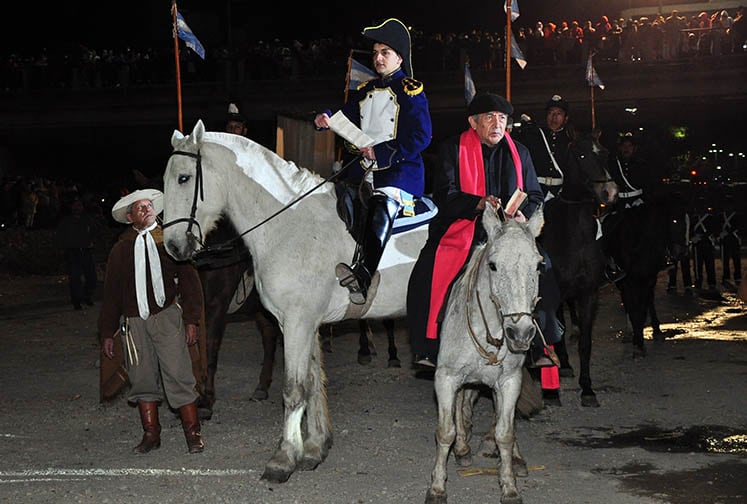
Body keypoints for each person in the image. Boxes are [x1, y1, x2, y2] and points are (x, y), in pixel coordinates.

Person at [406, 92, 550, 369]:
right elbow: (444, 195)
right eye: (489, 118)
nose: (497, 124)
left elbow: (534, 194)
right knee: (425, 274)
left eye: (502, 118)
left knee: (546, 268)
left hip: (509, 232)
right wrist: (477, 203)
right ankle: (428, 346)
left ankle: (540, 343)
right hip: (465, 227)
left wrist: (524, 213)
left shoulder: (520, 152)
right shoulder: (452, 149)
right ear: (473, 122)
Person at [313, 17, 432, 305]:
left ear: (399, 58)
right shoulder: (365, 91)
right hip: (363, 172)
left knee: (382, 201)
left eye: (385, 53)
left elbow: (422, 135)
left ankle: (364, 275)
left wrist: (384, 151)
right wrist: (325, 118)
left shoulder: (410, 90)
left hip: (398, 174)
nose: (378, 58)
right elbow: (346, 114)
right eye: (376, 53)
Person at [99, 189, 206, 454]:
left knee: (179, 374)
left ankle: (193, 435)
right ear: (129, 216)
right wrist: (107, 332)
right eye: (139, 207)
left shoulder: (171, 240)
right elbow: (111, 293)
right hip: (134, 322)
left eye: (149, 205)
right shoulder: (121, 250)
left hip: (166, 317)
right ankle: (151, 435)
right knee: (142, 378)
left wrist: (191, 319)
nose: (146, 209)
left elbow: (191, 283)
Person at [56, 197, 98, 310]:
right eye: (75, 205)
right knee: (75, 278)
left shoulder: (87, 219)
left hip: (86, 251)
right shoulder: (66, 221)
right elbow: (60, 236)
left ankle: (87, 296)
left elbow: (95, 231)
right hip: (73, 252)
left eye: (79, 205)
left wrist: (90, 241)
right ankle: (76, 301)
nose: (77, 208)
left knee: (91, 277)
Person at [690, 201, 718, 292]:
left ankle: (712, 282)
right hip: (697, 245)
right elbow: (691, 230)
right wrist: (693, 237)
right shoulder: (694, 218)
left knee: (710, 264)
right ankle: (698, 281)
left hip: (707, 243)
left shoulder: (710, 218)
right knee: (697, 265)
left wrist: (703, 236)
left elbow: (713, 229)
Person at [718, 196, 742, 288]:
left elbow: (738, 226)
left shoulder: (736, 216)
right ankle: (726, 277)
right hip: (725, 240)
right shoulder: (721, 215)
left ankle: (737, 277)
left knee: (736, 259)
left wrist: (728, 232)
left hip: (734, 239)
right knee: (725, 260)